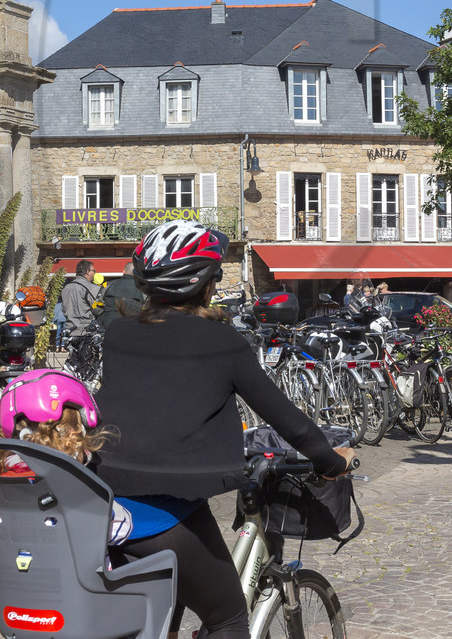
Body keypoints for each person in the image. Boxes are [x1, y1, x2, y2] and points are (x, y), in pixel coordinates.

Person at [97, 220, 356, 639]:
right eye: (215, 277)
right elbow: (285, 417)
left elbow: (148, 404)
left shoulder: (117, 334)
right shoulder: (221, 342)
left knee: (167, 615)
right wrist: (330, 461)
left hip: (105, 501)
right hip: (164, 513)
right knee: (228, 618)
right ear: (204, 284)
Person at [0, 369, 134, 545]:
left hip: (12, 569)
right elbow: (122, 529)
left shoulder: (1, 483)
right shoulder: (79, 489)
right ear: (74, 441)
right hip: (77, 572)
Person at [60, 261, 101, 342]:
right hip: (86, 332)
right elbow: (98, 310)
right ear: (87, 272)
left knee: (73, 354)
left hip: (70, 330)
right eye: (94, 271)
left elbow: (64, 309)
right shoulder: (92, 288)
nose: (94, 273)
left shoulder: (66, 288)